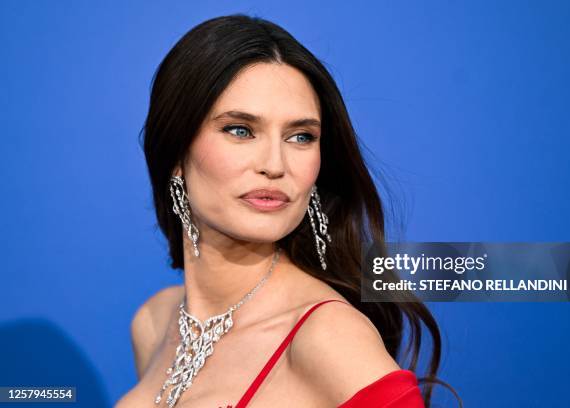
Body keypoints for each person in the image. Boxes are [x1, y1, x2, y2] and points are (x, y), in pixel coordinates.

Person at [116, 13, 455, 408]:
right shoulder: (155, 323)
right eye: (241, 130)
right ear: (176, 152)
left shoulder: (327, 336)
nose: (275, 165)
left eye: (301, 137)